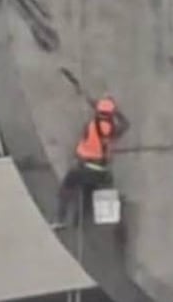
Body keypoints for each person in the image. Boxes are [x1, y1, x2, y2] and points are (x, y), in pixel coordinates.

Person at [52, 95, 131, 229]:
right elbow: (125, 124)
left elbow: (91, 129)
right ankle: (79, 220)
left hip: (84, 167)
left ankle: (61, 219)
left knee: (66, 188)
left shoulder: (90, 126)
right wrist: (115, 112)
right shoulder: (112, 129)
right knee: (88, 193)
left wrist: (97, 107)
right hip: (100, 171)